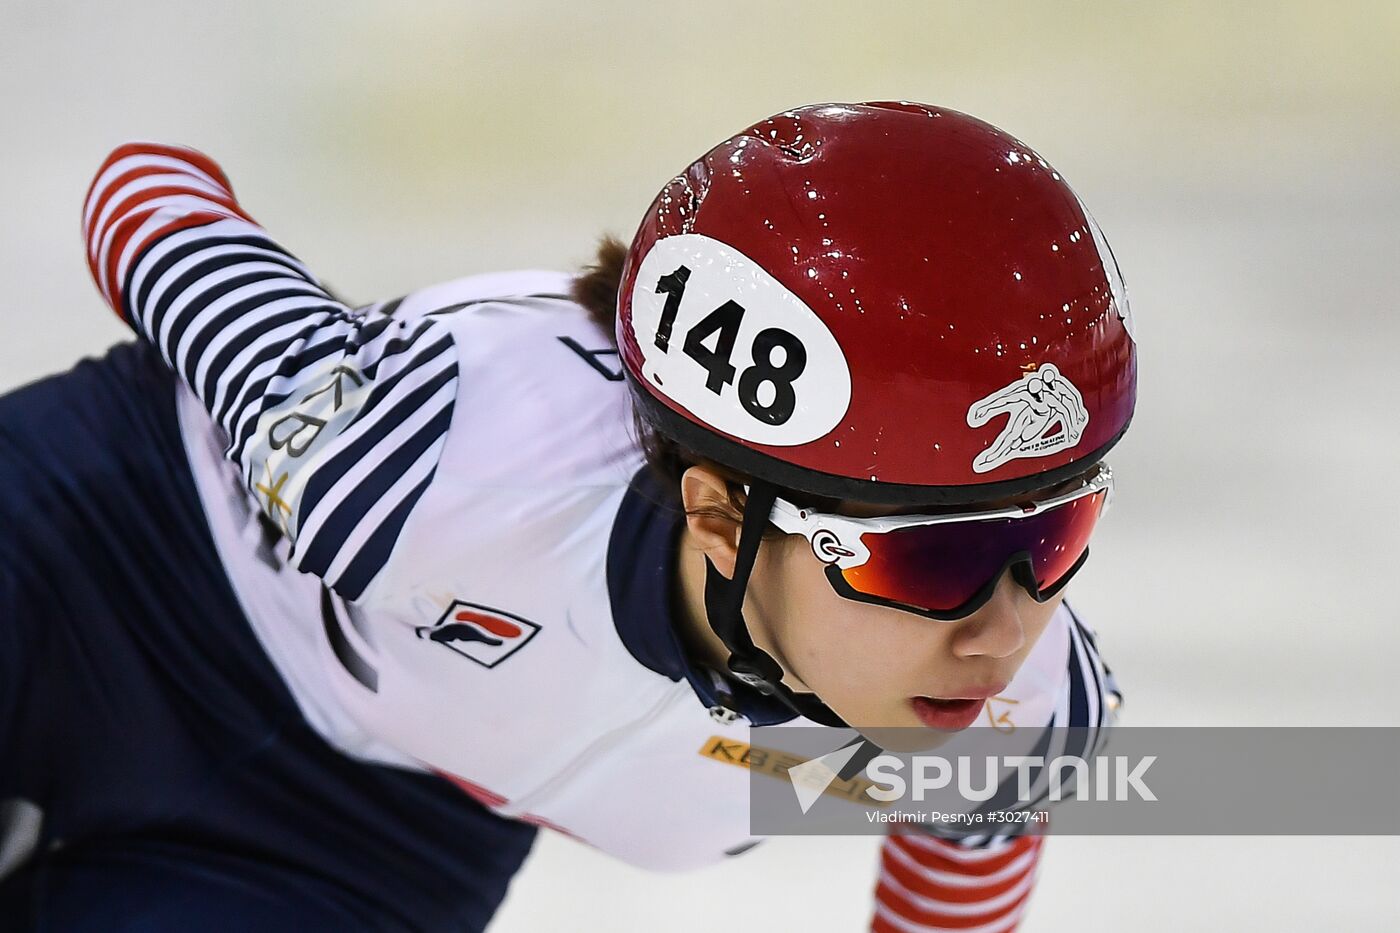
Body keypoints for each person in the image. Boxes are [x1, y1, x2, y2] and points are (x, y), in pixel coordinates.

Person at [0, 101, 1135, 931]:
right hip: (102, 556)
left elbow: (971, 850)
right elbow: (146, 192)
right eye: (933, 562)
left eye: (1050, 540)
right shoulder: (434, 459)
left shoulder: (1012, 726)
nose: (1002, 634)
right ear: (722, 519)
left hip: (351, 839)